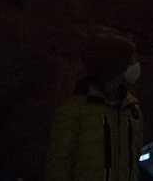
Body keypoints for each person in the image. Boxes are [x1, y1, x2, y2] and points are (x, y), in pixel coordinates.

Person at [45, 33, 144, 181]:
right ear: (116, 67)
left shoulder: (133, 110)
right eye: (131, 61)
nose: (136, 66)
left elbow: (134, 164)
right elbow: (58, 167)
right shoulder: (74, 110)